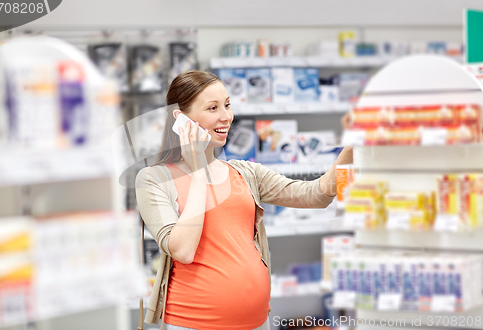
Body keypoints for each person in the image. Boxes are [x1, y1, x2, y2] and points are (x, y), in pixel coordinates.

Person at [135, 70, 353, 330]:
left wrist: (351, 146)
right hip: (194, 323)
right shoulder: (153, 178)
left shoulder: (244, 172)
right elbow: (182, 250)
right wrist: (198, 169)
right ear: (181, 119)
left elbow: (316, 196)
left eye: (227, 105)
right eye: (213, 107)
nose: (226, 116)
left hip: (257, 321)